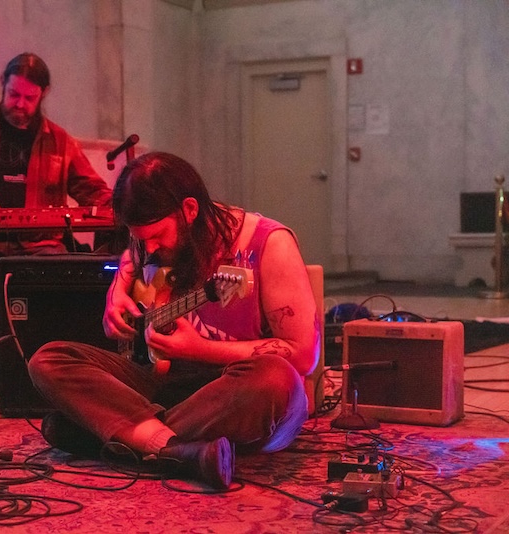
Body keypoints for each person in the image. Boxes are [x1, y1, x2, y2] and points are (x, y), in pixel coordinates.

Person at [27, 152, 320, 489]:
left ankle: (127, 435)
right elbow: (131, 257)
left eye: (157, 236)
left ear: (190, 210)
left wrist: (200, 350)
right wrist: (116, 293)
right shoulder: (149, 239)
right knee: (48, 359)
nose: (149, 249)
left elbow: (303, 354)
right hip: (167, 387)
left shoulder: (269, 243)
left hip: (230, 394)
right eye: (141, 239)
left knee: (275, 377)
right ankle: (175, 449)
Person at [0, 53, 113, 393]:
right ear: (3, 83)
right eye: (14, 94)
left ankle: (28, 362)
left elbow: (94, 192)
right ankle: (13, 357)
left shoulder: (60, 141)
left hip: (41, 245)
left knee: (58, 271)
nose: (20, 104)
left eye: (30, 98)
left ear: (43, 94)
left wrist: (122, 203)